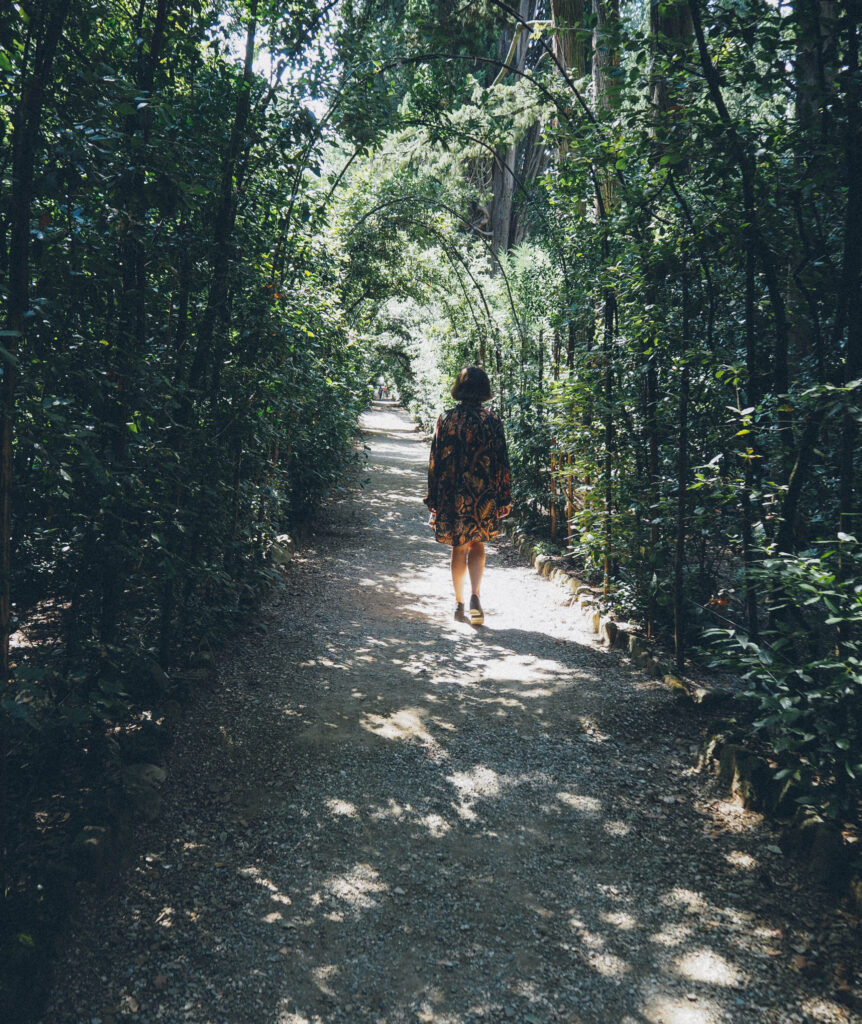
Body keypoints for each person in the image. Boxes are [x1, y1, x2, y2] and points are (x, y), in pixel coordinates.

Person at [423, 366, 512, 625]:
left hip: (452, 493)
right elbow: (501, 462)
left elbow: (435, 462)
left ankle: (460, 603)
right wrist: (504, 497)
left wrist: (434, 500)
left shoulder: (447, 419)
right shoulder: (491, 421)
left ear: (459, 389)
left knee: (459, 545)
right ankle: (475, 596)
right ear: (484, 389)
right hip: (483, 493)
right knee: (478, 543)